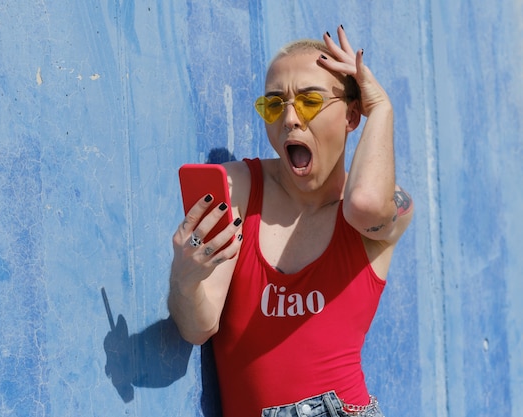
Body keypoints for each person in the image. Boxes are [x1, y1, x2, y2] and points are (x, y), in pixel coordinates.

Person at [168, 26, 413, 417]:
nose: (289, 118)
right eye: (274, 104)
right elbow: (198, 327)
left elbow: (365, 203)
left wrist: (381, 106)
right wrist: (185, 278)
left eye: (310, 101)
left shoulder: (388, 209)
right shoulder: (239, 189)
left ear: (352, 116)